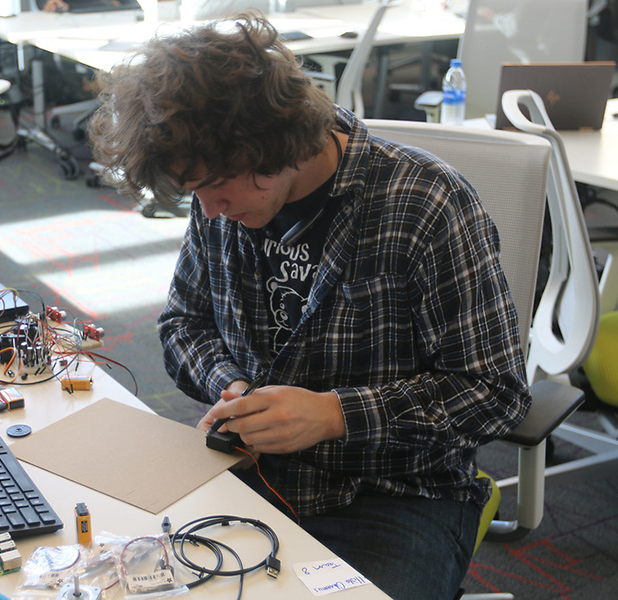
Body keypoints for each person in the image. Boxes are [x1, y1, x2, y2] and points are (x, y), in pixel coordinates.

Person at [87, 13, 531, 600]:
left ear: (272, 142)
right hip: (246, 468)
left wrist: (332, 415)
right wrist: (236, 390)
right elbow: (182, 324)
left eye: (217, 186)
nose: (211, 210)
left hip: (393, 493)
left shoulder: (425, 205)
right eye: (196, 192)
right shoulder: (218, 188)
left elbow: (496, 393)